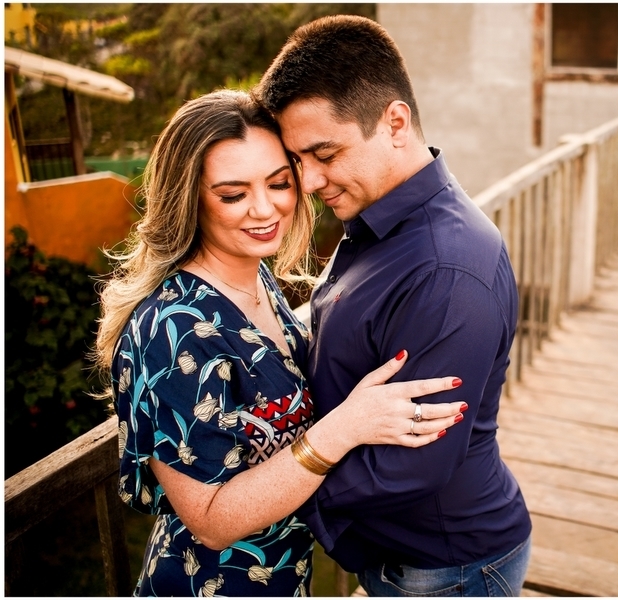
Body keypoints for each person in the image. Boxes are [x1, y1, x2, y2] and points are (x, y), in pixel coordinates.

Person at [91, 89, 467, 597]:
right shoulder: (169, 328)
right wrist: (342, 429)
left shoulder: (257, 281)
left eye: (279, 183)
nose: (264, 209)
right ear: (189, 199)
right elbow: (211, 521)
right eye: (232, 194)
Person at [254, 15, 532, 596]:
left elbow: (417, 465)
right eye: (297, 160)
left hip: (447, 568)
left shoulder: (446, 271)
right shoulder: (376, 219)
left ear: (395, 123)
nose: (307, 182)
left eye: (323, 153)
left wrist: (268, 493)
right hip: (401, 554)